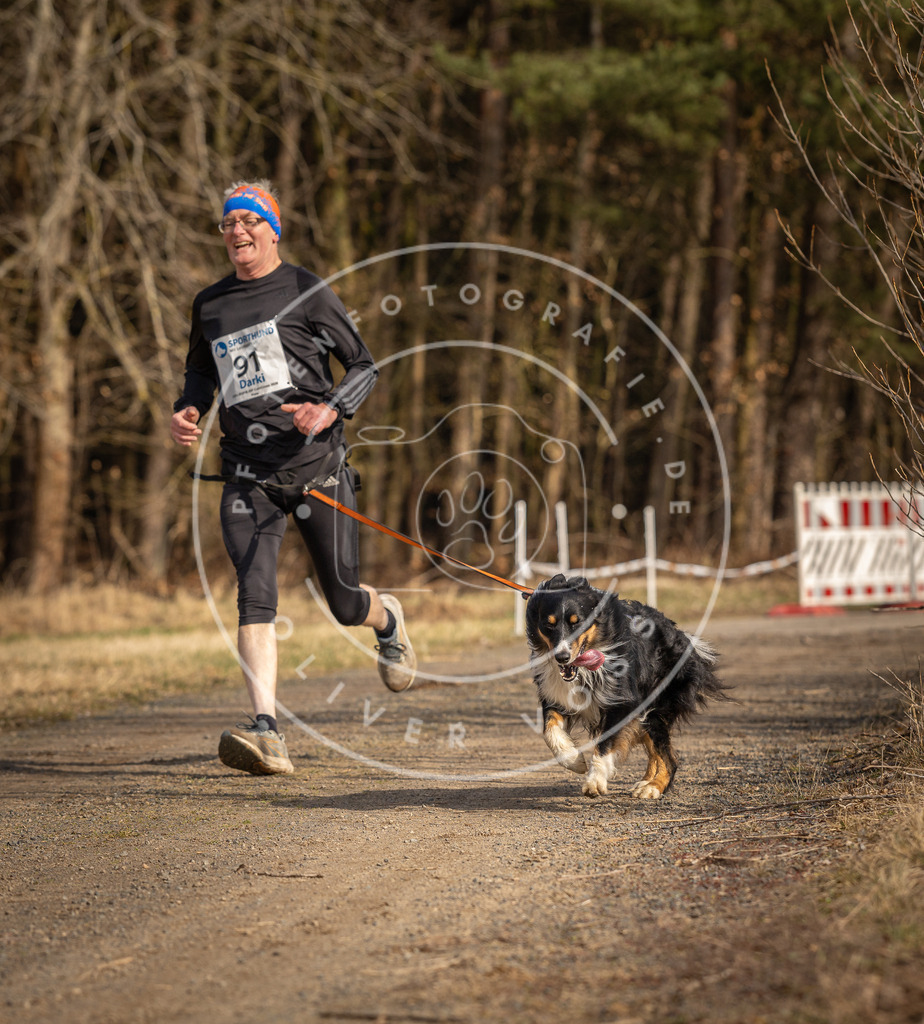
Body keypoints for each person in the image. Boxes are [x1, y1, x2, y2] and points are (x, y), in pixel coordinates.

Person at [170, 179, 415, 777]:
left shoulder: (306, 290)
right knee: (254, 591)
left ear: (272, 229)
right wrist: (191, 406)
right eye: (227, 224)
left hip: (316, 470)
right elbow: (199, 369)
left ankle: (386, 620)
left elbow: (364, 365)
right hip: (247, 474)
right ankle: (267, 730)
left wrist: (328, 408)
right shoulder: (211, 303)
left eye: (247, 221)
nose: (236, 232)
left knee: (343, 603)